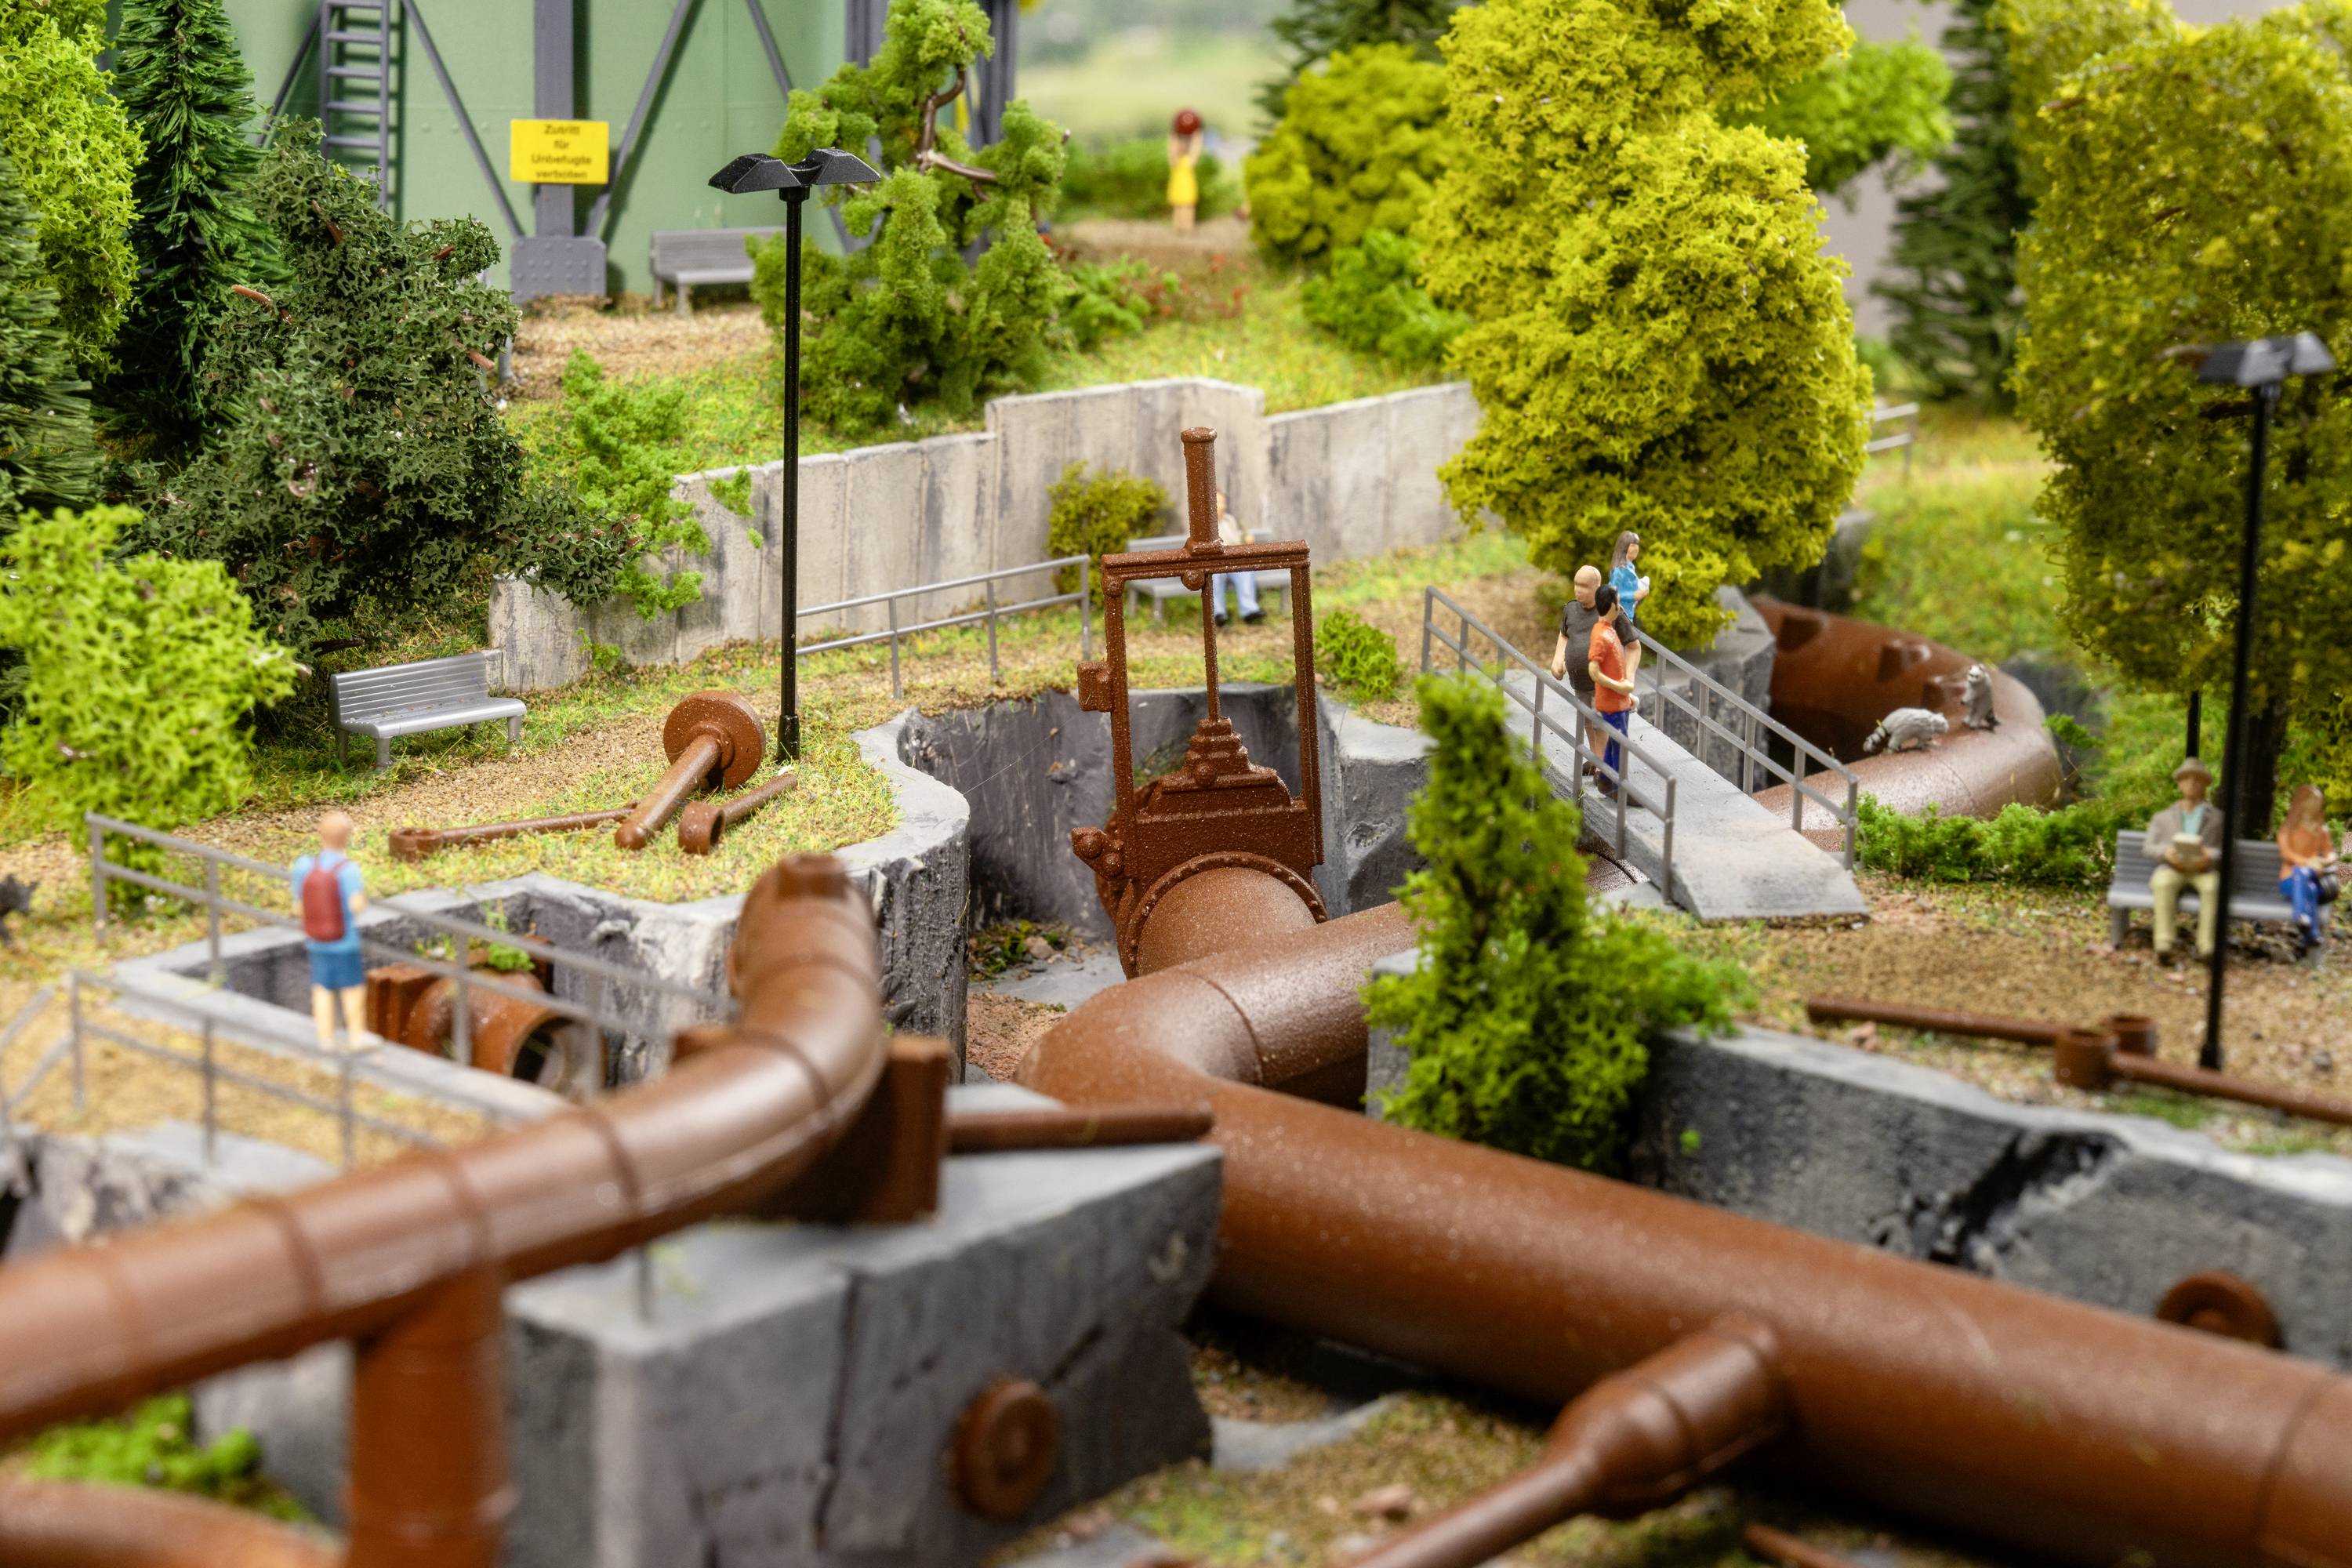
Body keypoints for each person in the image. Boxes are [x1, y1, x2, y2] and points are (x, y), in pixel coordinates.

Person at [293, 810, 369, 1051]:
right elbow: (356, 904)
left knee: (322, 988)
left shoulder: (304, 865)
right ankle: (356, 1036)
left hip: (316, 940)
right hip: (344, 940)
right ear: (346, 837)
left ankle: (324, 1037)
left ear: (321, 834)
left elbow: (298, 905)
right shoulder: (348, 869)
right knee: (352, 988)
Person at [2144, 758, 2224, 961]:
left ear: (2206, 785)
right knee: (2162, 883)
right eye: (2186, 779)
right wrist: (2166, 853)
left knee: (2213, 887)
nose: (2192, 783)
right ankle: (2163, 943)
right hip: (2173, 868)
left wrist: (2209, 856)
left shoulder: (2217, 818)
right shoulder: (2162, 817)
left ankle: (2207, 946)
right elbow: (2149, 847)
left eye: (2198, 780)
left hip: (2202, 870)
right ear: (2179, 783)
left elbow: (2226, 850)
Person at [1548, 564, 1608, 774]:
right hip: (1579, 680)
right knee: (1587, 719)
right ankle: (1595, 757)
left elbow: (1626, 642)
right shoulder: (1571, 609)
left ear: (1597, 587)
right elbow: (1564, 634)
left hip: (1602, 680)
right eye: (1576, 584)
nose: (1578, 590)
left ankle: (1603, 765)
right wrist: (1558, 659)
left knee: (1600, 721)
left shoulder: (1607, 610)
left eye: (1584, 586)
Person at [1587, 583, 1636, 796]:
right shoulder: (1600, 635)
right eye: (1619, 602)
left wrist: (1626, 692)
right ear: (1612, 605)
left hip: (1620, 698)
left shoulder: (1610, 630)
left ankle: (1606, 779)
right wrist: (1619, 687)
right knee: (1621, 741)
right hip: (1611, 701)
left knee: (1617, 740)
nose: (1621, 606)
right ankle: (1619, 787)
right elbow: (1594, 670)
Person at [2278, 783, 2336, 956]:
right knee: (2302, 876)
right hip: (2289, 880)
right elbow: (2287, 854)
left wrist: (2324, 862)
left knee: (2308, 883)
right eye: (2313, 799)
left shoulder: (2321, 830)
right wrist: (2308, 862)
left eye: (2319, 800)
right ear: (2302, 802)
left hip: (2314, 878)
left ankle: (2302, 920)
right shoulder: (2288, 828)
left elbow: (2331, 853)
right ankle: (2312, 933)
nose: (2318, 803)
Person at [1211, 488, 1264, 626]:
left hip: (1234, 561)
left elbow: (1238, 539)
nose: (1221, 506)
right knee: (1214, 577)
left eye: (1223, 502)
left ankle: (1249, 610)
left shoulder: (1230, 520)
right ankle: (1218, 613)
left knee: (1245, 570)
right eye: (1217, 502)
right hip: (1216, 563)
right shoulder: (1206, 525)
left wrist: (1246, 539)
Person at [1608, 530, 1652, 678]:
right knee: (1622, 647)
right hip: (1620, 614)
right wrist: (1633, 595)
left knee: (1628, 646)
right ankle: (1619, 676)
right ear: (1624, 546)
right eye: (1633, 545)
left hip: (1629, 614)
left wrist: (1641, 588)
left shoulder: (1630, 567)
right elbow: (1613, 593)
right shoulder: (1619, 571)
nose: (1636, 549)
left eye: (1637, 545)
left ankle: (1623, 676)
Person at [1167, 109, 1205, 232]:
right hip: (1179, 179)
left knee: (1188, 205)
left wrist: (1197, 138)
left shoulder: (1188, 161)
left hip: (1186, 180)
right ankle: (1178, 226)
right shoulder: (1177, 161)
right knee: (1178, 204)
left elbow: (1195, 153)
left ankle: (1188, 227)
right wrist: (1174, 140)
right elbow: (1172, 155)